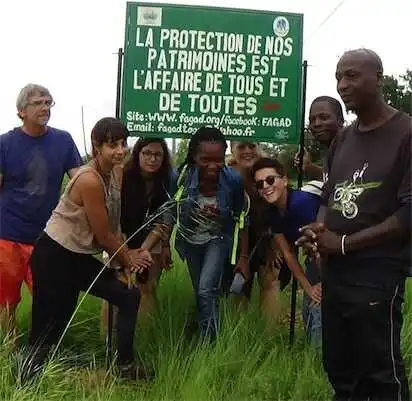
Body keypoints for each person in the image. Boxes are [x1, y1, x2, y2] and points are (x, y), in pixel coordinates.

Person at [296, 49, 411, 400]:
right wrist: (318, 232)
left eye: (351, 76)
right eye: (338, 77)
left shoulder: (405, 133)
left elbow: (409, 214)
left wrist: (344, 244)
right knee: (340, 366)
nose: (342, 85)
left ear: (378, 77)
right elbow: (330, 198)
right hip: (336, 272)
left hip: (377, 272)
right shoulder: (343, 139)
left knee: (380, 371)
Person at [27, 118, 153, 380]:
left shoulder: (116, 172)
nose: (120, 151)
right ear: (97, 147)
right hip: (54, 254)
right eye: (112, 145)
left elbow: (114, 224)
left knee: (128, 296)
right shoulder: (89, 180)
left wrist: (124, 257)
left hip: (79, 255)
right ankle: (27, 377)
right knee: (49, 321)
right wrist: (128, 260)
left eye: (123, 143)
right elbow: (104, 235)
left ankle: (125, 367)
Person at [143, 127, 249, 342]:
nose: (213, 166)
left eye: (218, 160)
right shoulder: (180, 177)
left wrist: (244, 258)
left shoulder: (233, 181)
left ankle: (209, 343)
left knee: (206, 290)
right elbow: (170, 212)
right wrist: (165, 246)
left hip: (218, 239)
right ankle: (207, 329)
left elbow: (242, 218)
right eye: (205, 160)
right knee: (202, 291)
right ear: (194, 157)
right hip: (189, 241)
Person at [0, 84, 82, 344]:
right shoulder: (5, 143)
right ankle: (9, 349)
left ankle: (46, 350)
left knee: (50, 297)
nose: (45, 108)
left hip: (48, 236)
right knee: (6, 300)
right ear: (21, 111)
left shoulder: (64, 140)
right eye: (38, 103)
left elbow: (79, 181)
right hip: (8, 233)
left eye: (48, 103)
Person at [251, 157, 323, 346]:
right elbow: (288, 254)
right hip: (315, 261)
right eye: (260, 184)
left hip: (333, 260)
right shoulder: (272, 214)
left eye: (270, 180)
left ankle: (319, 363)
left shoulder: (302, 203)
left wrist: (323, 282)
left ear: (284, 180)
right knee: (309, 308)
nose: (265, 186)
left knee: (319, 313)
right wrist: (308, 287)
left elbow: (324, 243)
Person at [225, 141, 287, 322]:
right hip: (239, 235)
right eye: (241, 147)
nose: (247, 152)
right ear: (232, 149)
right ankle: (239, 337)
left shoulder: (269, 169)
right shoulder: (228, 173)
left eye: (251, 146)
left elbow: (281, 207)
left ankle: (269, 337)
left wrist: (275, 247)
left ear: (258, 147)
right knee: (239, 284)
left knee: (270, 281)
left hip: (269, 232)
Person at [121, 138, 175, 317]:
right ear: (137, 155)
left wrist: (144, 251)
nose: (152, 159)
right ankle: (109, 339)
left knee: (147, 289)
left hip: (152, 239)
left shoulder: (168, 180)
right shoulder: (122, 177)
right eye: (147, 153)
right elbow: (112, 218)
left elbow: (165, 220)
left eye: (158, 154)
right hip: (120, 239)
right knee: (119, 288)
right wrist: (127, 254)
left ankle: (145, 337)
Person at [294, 96, 344, 180]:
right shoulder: (331, 152)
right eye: (312, 120)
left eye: (324, 118)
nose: (317, 124)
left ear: (340, 120)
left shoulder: (355, 148)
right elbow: (333, 180)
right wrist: (308, 167)